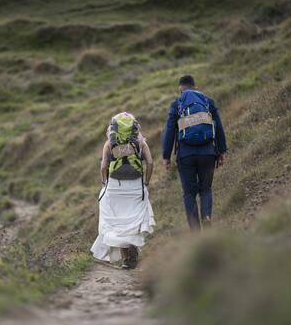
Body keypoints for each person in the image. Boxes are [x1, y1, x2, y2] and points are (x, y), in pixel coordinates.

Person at [162, 75, 227, 231]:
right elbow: (218, 128)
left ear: (180, 90)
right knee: (205, 189)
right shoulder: (208, 102)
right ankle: (206, 217)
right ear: (196, 88)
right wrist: (221, 151)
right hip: (207, 153)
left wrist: (166, 156)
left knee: (189, 193)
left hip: (185, 155)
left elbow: (169, 131)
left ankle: (195, 231)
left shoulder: (176, 104)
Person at [91, 112, 155, 269]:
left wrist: (104, 182)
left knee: (118, 221)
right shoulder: (140, 142)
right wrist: (146, 182)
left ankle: (127, 259)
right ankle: (133, 245)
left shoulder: (110, 143)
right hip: (135, 186)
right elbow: (150, 162)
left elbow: (104, 166)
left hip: (115, 186)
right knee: (134, 218)